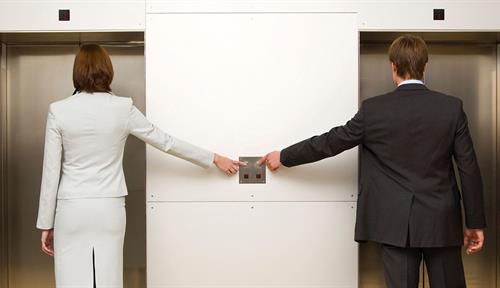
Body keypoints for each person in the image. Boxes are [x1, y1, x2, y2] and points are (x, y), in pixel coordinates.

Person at [259, 35, 485, 288]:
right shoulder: (451, 108)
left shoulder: (374, 110)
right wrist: (474, 223)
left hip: (394, 224)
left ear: (393, 67)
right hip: (441, 222)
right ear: (425, 66)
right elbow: (469, 168)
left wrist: (285, 156)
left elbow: (330, 142)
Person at [36, 44, 243, 288]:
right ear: (107, 71)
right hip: (109, 208)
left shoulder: (59, 110)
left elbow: (51, 172)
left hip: (71, 210)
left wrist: (46, 224)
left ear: (77, 72)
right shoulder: (123, 108)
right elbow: (165, 141)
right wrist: (214, 158)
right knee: (108, 281)